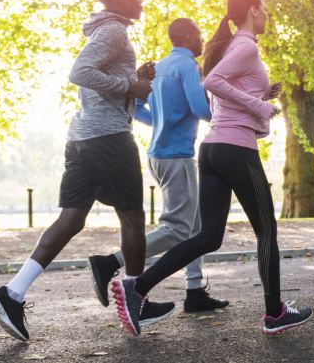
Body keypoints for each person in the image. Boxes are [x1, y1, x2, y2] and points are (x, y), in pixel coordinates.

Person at [112, 0, 314, 336]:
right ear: (252, 10)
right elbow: (214, 82)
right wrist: (260, 106)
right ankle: (275, 313)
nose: (266, 14)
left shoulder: (234, 47)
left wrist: (261, 93)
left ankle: (137, 287)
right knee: (267, 230)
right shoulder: (246, 45)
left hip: (213, 149)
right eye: (263, 7)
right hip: (236, 149)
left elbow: (221, 94)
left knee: (208, 236)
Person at [0, 0, 171, 341]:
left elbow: (102, 81)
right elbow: (80, 72)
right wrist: (129, 85)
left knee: (71, 220)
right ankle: (136, 298)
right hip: (109, 139)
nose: (141, 0)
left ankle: (12, 293)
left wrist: (135, 77)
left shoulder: (107, 30)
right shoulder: (114, 31)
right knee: (133, 219)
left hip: (82, 138)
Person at [87, 18, 228, 314]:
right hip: (177, 156)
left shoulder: (160, 67)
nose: (202, 40)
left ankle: (194, 291)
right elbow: (201, 109)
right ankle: (110, 262)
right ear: (188, 37)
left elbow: (140, 110)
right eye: (199, 35)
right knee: (177, 229)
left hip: (158, 155)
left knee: (196, 226)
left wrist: (165, 120)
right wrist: (232, 111)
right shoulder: (188, 66)